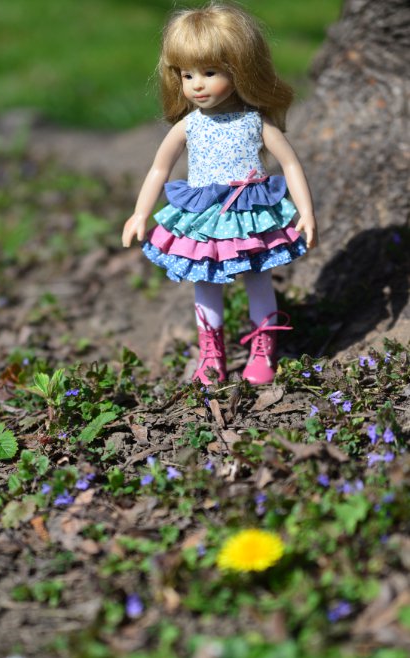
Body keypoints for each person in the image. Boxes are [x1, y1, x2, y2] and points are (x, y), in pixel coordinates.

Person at [122, 3, 318, 386]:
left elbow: (291, 165)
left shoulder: (254, 122)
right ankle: (211, 352)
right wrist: (139, 213)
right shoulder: (188, 126)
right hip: (203, 218)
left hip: (249, 214)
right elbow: (159, 169)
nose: (196, 84)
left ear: (240, 69)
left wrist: (306, 212)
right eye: (187, 74)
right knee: (205, 280)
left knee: (258, 277)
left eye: (209, 73)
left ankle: (264, 346)